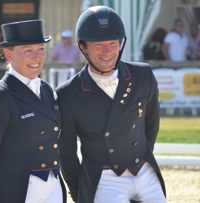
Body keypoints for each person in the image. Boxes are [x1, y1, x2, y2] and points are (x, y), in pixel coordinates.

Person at [56, 6, 166, 203]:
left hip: (143, 170)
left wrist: (138, 157)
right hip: (104, 178)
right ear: (83, 47)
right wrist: (80, 194)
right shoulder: (67, 94)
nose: (107, 51)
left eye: (113, 43)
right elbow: (67, 153)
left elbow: (151, 125)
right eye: (98, 44)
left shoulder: (143, 76)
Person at [0, 20, 66, 203]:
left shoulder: (47, 90)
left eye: (40, 49)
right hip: (16, 189)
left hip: (53, 185)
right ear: (9, 55)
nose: (36, 56)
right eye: (27, 50)